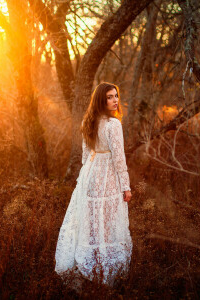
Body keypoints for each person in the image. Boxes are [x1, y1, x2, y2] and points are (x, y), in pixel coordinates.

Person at [54, 82, 133, 288]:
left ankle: (93, 267)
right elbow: (119, 158)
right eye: (109, 97)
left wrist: (87, 176)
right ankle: (104, 272)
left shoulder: (89, 121)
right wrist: (126, 186)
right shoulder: (113, 125)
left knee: (92, 222)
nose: (115, 100)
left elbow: (84, 156)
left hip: (89, 174)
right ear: (101, 99)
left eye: (116, 95)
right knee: (106, 223)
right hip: (106, 177)